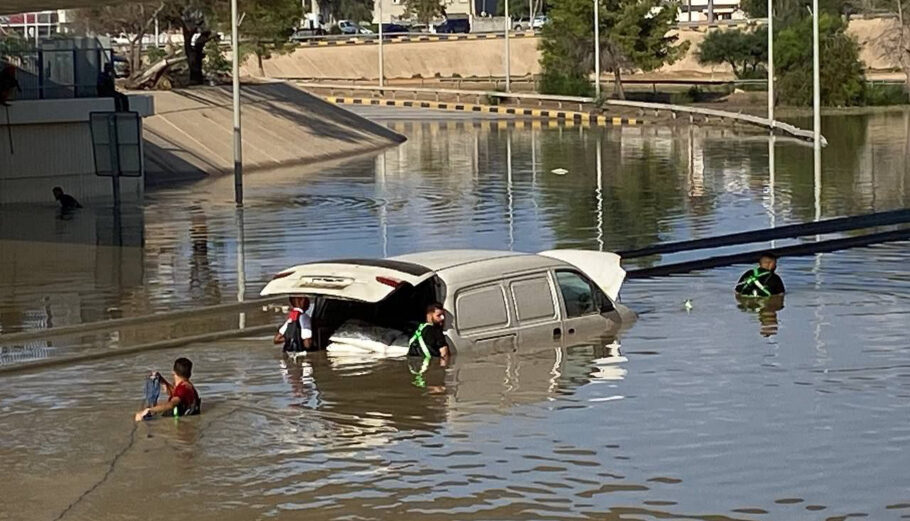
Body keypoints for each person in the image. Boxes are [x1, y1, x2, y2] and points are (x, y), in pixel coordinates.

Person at [134, 357, 201, 421]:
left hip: (181, 421)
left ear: (173, 372)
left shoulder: (182, 389)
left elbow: (171, 404)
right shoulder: (187, 385)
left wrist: (148, 410)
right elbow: (175, 393)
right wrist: (162, 380)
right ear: (189, 374)